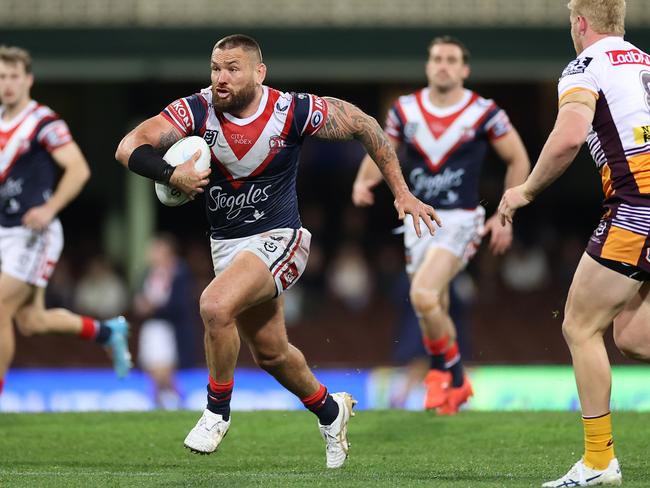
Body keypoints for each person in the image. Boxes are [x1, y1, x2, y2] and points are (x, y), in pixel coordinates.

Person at [115, 34, 440, 468]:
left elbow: (364, 124)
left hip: (281, 239)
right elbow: (128, 147)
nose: (221, 78)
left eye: (232, 68)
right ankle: (331, 410)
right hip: (227, 246)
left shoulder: (292, 111)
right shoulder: (196, 109)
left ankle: (216, 412)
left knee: (213, 305)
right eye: (215, 68)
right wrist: (171, 173)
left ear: (258, 72)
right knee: (271, 353)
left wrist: (401, 192)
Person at [498, 1, 646, 485]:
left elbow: (567, 138)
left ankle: (600, 462)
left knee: (581, 327)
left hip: (637, 208)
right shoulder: (645, 61)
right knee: (633, 338)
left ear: (579, 24)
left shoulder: (586, 65)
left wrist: (526, 190)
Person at [352, 36, 530, 414]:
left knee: (423, 295)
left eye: (451, 59)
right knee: (436, 307)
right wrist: (363, 180)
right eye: (437, 59)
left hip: (461, 219)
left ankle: (445, 376)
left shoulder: (484, 112)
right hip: (417, 221)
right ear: (428, 66)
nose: (443, 65)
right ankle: (453, 379)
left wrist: (505, 212)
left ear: (464, 69)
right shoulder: (404, 109)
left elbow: (518, 159)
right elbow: (384, 150)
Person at [0, 45, 132, 395]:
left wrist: (49, 208)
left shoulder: (42, 122)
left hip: (34, 232)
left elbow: (78, 169)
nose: (8, 84)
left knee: (0, 307)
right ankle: (108, 333)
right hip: (5, 230)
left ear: (28, 80)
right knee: (31, 321)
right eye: (1, 77)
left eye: (14, 76)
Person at [134, 233, 197, 409]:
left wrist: (154, 307)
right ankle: (161, 404)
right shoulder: (148, 273)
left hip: (169, 328)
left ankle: (175, 400)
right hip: (151, 326)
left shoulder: (179, 271)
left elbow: (181, 303)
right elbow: (140, 295)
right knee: (152, 369)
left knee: (163, 370)